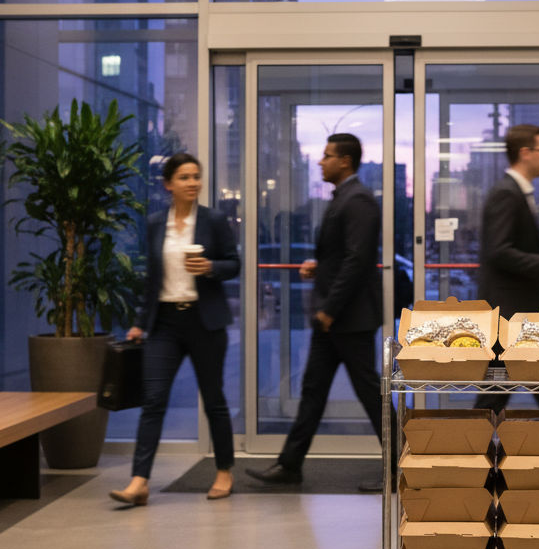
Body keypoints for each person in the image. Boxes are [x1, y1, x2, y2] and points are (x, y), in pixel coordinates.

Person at [246, 133, 394, 492]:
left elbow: (358, 262)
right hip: (335, 320)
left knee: (371, 394)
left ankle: (401, 468)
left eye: (327, 156)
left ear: (345, 161)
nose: (320, 162)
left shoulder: (358, 200)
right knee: (313, 390)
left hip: (347, 319)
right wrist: (319, 266)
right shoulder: (345, 197)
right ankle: (289, 465)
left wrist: (329, 309)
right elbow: (342, 256)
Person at [110, 153, 240, 505]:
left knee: (213, 400)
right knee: (153, 401)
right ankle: (139, 482)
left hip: (205, 321)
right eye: (184, 177)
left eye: (196, 176)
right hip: (165, 323)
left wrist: (210, 267)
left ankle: (225, 471)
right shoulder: (155, 223)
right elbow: (152, 279)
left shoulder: (213, 220)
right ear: (168, 184)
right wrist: (140, 322)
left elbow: (234, 263)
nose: (193, 183)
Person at [474, 123, 539, 414]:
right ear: (525, 153)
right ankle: (465, 450)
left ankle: (468, 451)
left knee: (510, 393)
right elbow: (500, 252)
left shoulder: (516, 192)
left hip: (520, 313)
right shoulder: (506, 194)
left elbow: (511, 253)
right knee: (507, 393)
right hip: (510, 316)